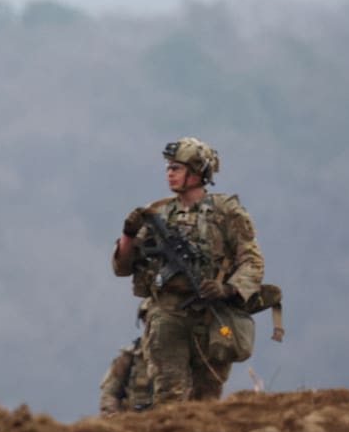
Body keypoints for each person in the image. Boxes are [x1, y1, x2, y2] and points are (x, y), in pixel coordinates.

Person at [112, 137, 264, 405]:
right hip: (168, 315)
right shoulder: (159, 214)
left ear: (196, 173)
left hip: (214, 317)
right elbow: (122, 267)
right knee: (169, 395)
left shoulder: (226, 212)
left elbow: (252, 261)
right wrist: (128, 233)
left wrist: (227, 288)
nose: (169, 173)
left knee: (207, 399)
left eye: (177, 168)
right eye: (169, 167)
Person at [99, 301, 155, 415]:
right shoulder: (129, 357)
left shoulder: (184, 352)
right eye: (146, 318)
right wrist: (114, 417)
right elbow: (110, 393)